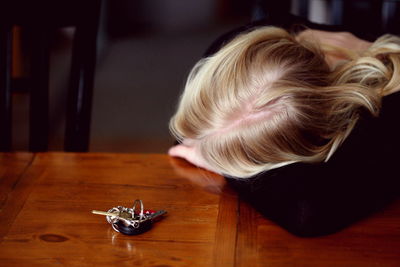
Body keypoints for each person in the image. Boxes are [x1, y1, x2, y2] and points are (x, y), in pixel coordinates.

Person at [168, 19, 400, 236]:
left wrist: (223, 164)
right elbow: (188, 138)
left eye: (253, 162)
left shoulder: (382, 124)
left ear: (319, 136)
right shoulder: (235, 46)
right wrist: (220, 155)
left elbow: (307, 214)